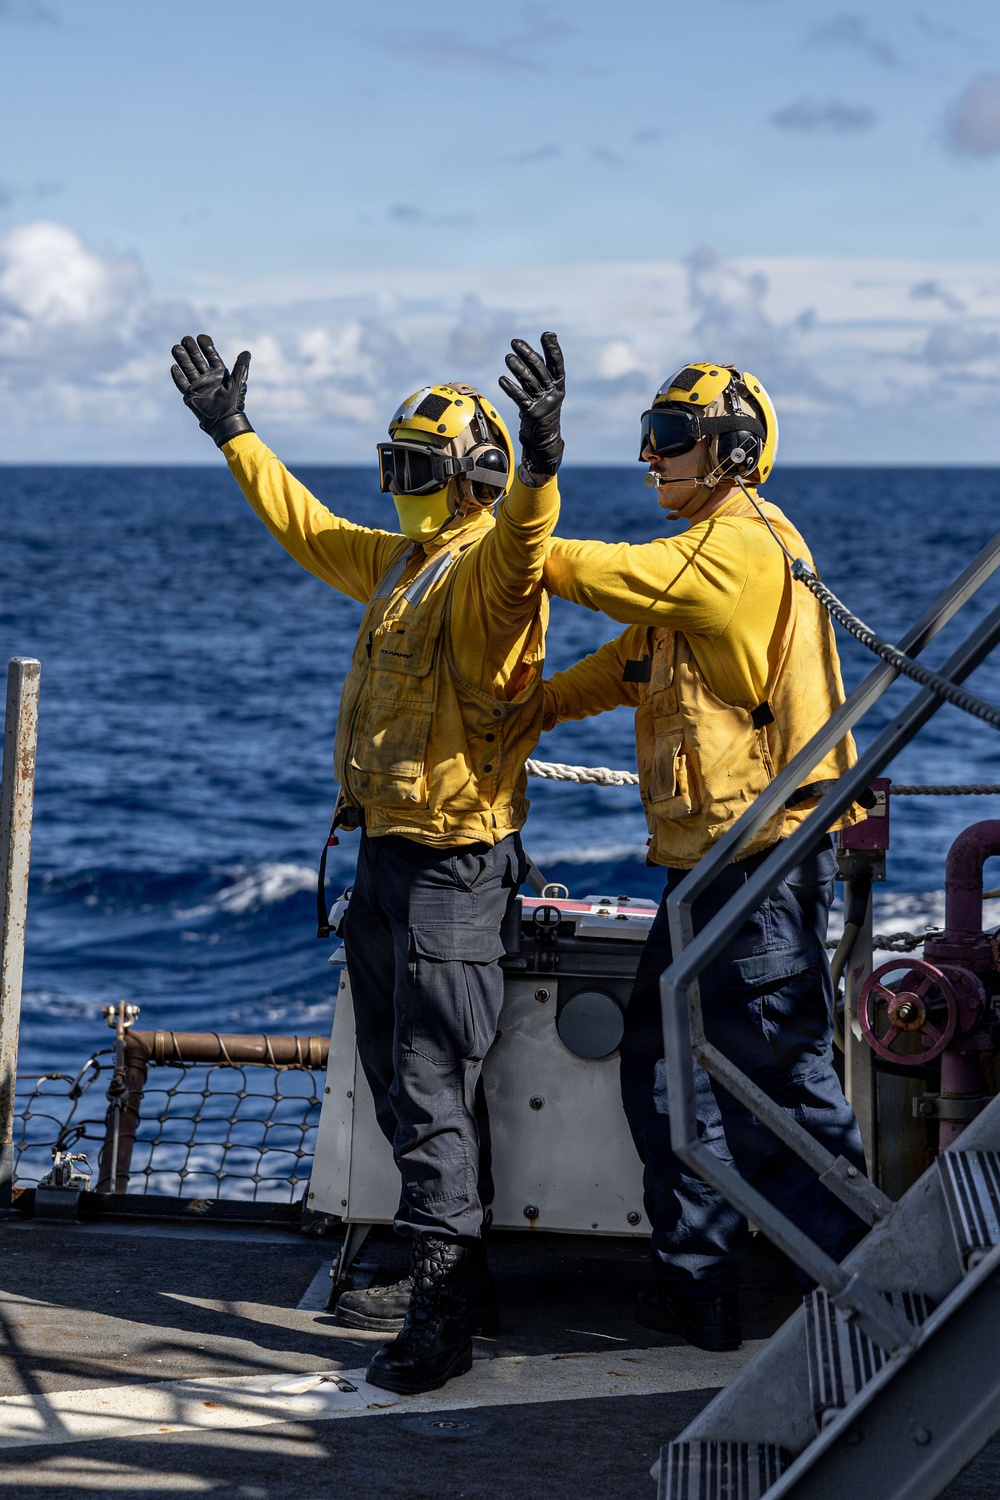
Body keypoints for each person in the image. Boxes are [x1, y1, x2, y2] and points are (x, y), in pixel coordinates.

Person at [169, 330, 565, 1394]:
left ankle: (442, 1317)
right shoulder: (398, 564)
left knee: (433, 1084)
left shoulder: (486, 572)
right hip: (387, 855)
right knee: (402, 1083)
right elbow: (302, 525)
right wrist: (233, 433)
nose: (396, 490)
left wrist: (541, 460)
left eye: (413, 472)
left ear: (468, 480)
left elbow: (527, 544)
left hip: (453, 872)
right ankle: (456, 1272)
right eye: (389, 469)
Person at [541, 362, 868, 1351]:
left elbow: (614, 578)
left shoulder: (737, 549)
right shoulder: (700, 560)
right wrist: (521, 714)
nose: (648, 453)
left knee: (775, 1094)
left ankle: (883, 1301)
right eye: (649, 429)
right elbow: (627, 661)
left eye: (670, 432)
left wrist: (506, 548)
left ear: (728, 450)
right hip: (708, 873)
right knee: (667, 1075)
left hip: (759, 870)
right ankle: (700, 1285)